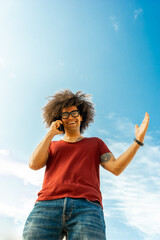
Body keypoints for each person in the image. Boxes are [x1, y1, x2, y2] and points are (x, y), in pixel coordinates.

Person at [23, 89, 149, 240]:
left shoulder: (95, 143)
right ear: (59, 119)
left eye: (74, 113)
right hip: (47, 205)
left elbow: (116, 168)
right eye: (65, 114)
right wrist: (50, 133)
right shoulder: (52, 145)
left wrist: (138, 141)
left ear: (81, 116)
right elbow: (34, 164)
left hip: (87, 208)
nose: (70, 117)